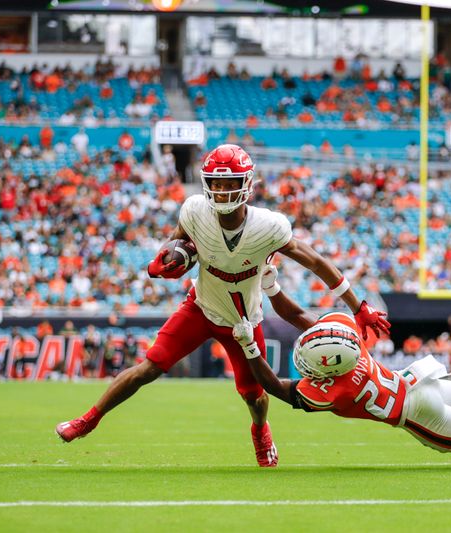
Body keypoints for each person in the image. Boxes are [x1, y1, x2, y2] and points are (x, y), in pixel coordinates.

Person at [55, 144, 390, 468]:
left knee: (254, 395)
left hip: (244, 321)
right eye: (217, 183)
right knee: (149, 367)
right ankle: (89, 420)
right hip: (199, 308)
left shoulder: (268, 226)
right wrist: (165, 257)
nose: (224, 190)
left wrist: (357, 305)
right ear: (207, 184)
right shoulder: (195, 210)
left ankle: (260, 429)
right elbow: (176, 238)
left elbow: (315, 261)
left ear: (247, 184)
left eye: (231, 183)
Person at [233, 265, 451, 460]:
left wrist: (250, 347)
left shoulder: (333, 390)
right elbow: (303, 317)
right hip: (415, 380)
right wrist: (273, 288)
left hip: (418, 414)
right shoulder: (345, 337)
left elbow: (275, 388)